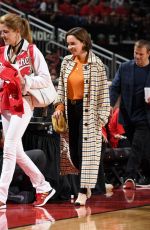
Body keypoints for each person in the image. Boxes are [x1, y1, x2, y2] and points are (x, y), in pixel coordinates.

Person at [0, 13, 56, 209]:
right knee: (16, 151)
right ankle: (43, 186)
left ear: (17, 32)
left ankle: (1, 196)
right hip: (6, 103)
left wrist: (26, 81)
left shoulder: (32, 51)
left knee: (8, 150)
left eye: (6, 32)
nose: (3, 35)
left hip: (24, 103)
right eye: (1, 32)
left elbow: (45, 80)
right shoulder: (2, 52)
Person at [53, 27, 110, 205]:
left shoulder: (97, 64)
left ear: (84, 42)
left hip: (89, 115)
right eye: (68, 44)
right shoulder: (66, 62)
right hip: (71, 111)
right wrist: (59, 107)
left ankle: (82, 192)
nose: (69, 47)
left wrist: (100, 120)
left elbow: (103, 96)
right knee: (74, 155)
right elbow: (61, 87)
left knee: (84, 153)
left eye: (73, 44)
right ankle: (86, 187)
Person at [110, 39, 150, 189]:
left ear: (148, 54)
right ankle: (147, 175)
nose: (137, 56)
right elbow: (115, 88)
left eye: (141, 54)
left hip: (145, 116)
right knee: (142, 148)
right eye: (135, 53)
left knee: (137, 147)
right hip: (128, 116)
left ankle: (129, 177)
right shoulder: (125, 67)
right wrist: (110, 104)